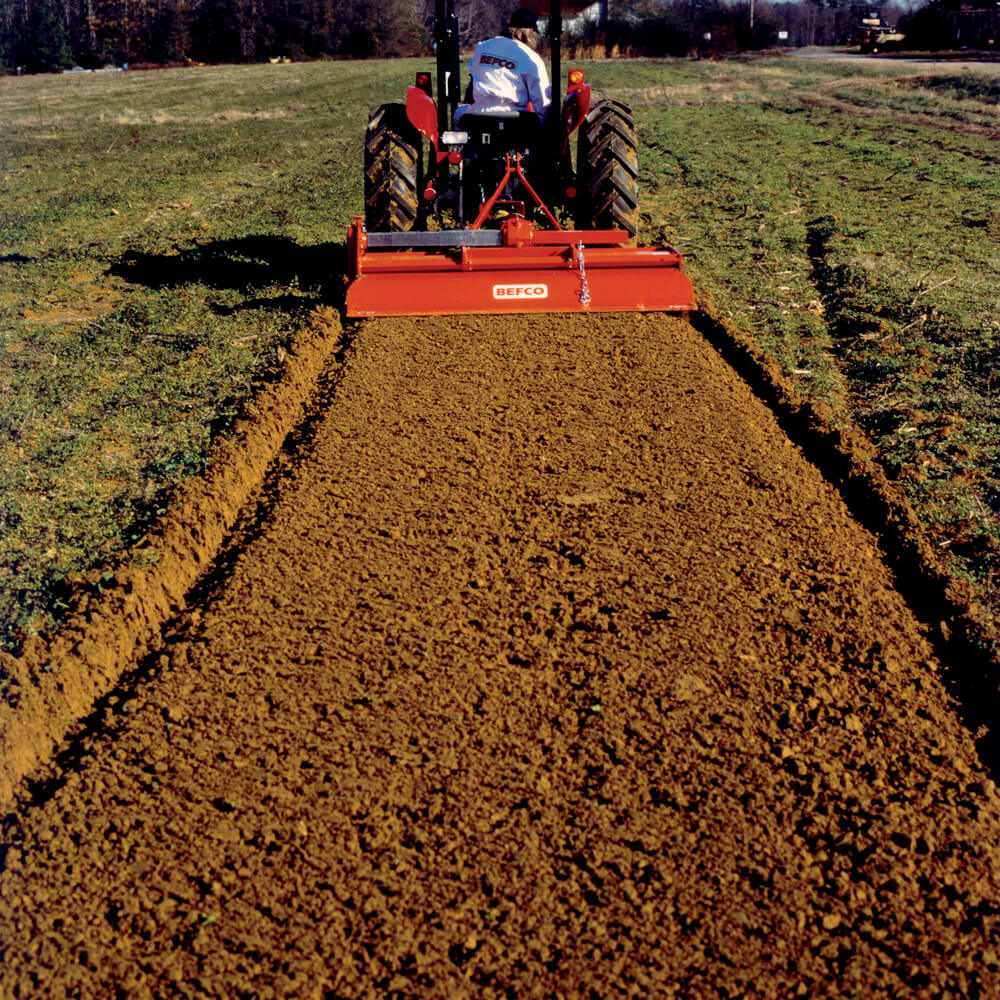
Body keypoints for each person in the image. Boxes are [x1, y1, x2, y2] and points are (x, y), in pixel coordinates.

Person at [454, 9, 551, 124]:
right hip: (516, 117)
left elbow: (473, 73)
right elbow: (542, 102)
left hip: (479, 114)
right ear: (531, 31)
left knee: (459, 113)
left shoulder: (482, 48)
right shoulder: (531, 57)